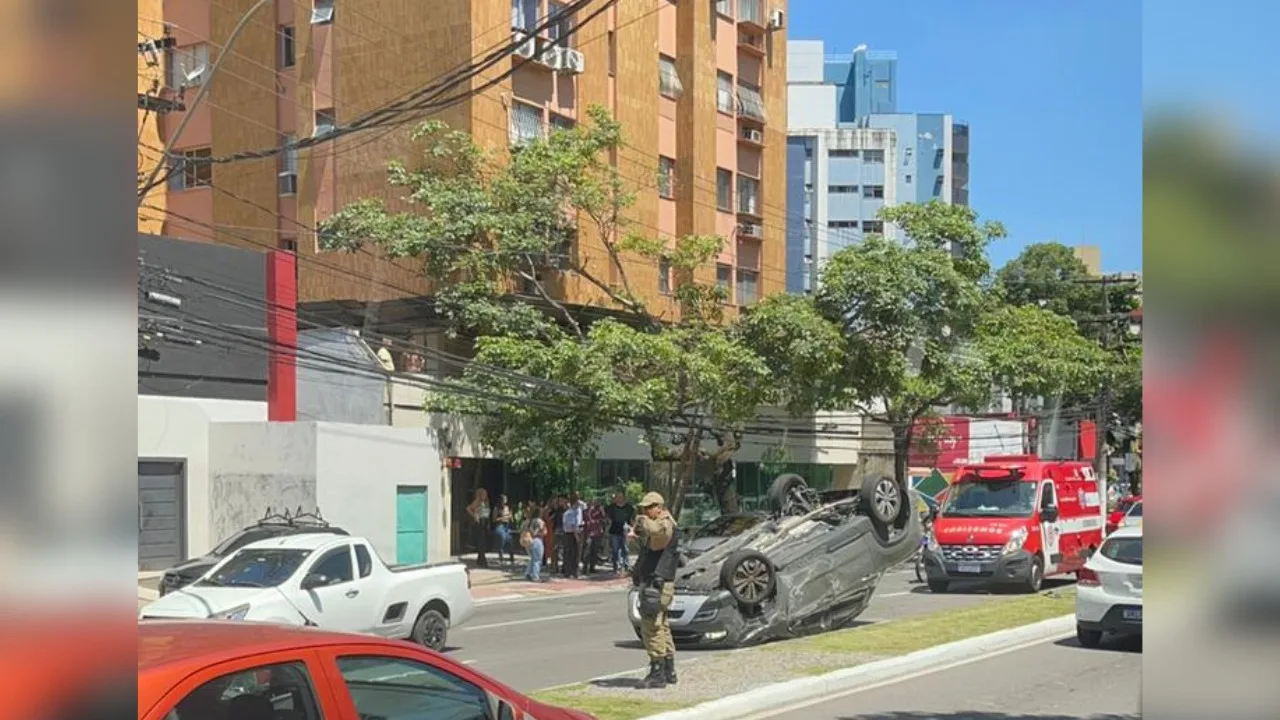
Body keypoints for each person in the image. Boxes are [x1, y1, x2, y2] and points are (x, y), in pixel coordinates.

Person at [630, 492, 679, 689]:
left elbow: (659, 534)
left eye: (649, 507)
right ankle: (668, 669)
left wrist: (642, 522)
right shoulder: (659, 523)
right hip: (654, 582)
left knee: (652, 627)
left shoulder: (664, 524)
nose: (646, 511)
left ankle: (657, 670)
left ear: (659, 506)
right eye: (644, 508)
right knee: (662, 625)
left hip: (657, 584)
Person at [605, 491, 635, 575]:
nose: (619, 499)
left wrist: (632, 530)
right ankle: (615, 566)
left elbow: (632, 520)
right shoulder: (611, 507)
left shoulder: (629, 508)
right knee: (615, 550)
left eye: (621, 497)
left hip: (625, 530)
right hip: (614, 530)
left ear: (624, 498)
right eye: (617, 497)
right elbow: (607, 517)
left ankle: (626, 566)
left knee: (625, 549)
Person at [561, 492, 586, 578]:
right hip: (570, 534)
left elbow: (584, 506)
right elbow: (572, 526)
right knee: (570, 553)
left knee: (577, 553)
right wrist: (576, 535)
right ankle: (568, 572)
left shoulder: (578, 510)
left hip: (578, 530)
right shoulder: (569, 513)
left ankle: (575, 572)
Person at [466, 488, 491, 569]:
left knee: (484, 542)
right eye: (483, 494)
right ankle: (483, 560)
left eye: (485, 494)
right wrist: (474, 515)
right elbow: (468, 508)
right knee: (481, 542)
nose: (485, 496)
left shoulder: (486, 503)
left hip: (485, 521)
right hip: (479, 522)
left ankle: (480, 559)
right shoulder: (477, 502)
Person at [521, 504, 547, 582]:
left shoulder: (529, 521)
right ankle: (535, 576)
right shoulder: (540, 521)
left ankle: (528, 573)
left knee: (533, 558)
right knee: (537, 559)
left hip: (529, 541)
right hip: (537, 540)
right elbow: (544, 531)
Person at [583, 501, 607, 576]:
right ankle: (585, 568)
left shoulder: (600, 511)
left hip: (598, 533)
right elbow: (588, 520)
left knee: (595, 551)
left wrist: (602, 512)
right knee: (587, 551)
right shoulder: (587, 511)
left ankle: (592, 567)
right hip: (589, 533)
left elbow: (605, 520)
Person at [493, 494, 515, 565]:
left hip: (507, 525)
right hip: (500, 525)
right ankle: (501, 558)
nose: (505, 500)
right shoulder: (497, 508)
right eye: (504, 499)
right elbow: (494, 519)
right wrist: (504, 517)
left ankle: (511, 557)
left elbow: (511, 518)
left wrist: (511, 517)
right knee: (501, 540)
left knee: (510, 540)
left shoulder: (507, 507)